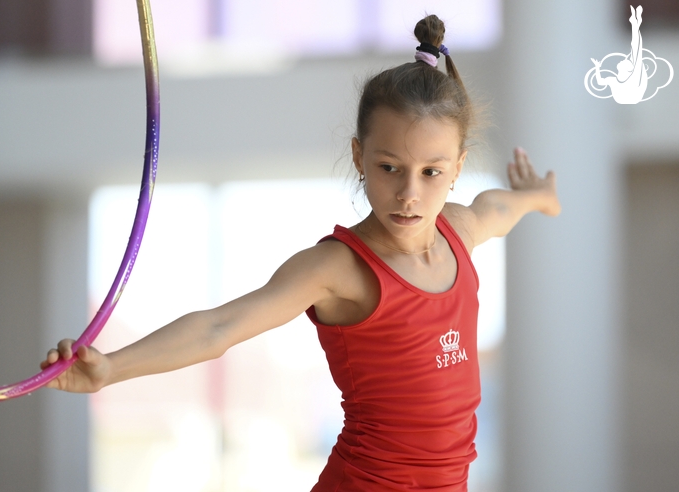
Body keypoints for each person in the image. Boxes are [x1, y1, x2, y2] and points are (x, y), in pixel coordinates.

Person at [42, 14, 560, 491]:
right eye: (389, 167)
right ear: (359, 157)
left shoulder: (459, 231)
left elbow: (498, 207)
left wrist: (539, 196)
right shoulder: (338, 267)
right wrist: (111, 367)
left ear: (457, 167)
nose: (409, 193)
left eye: (431, 172)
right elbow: (218, 328)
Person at [591, 5, 647, 104]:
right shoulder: (615, 81)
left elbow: (636, 49)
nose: (623, 61)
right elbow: (600, 82)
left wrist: (635, 26)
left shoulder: (629, 80)